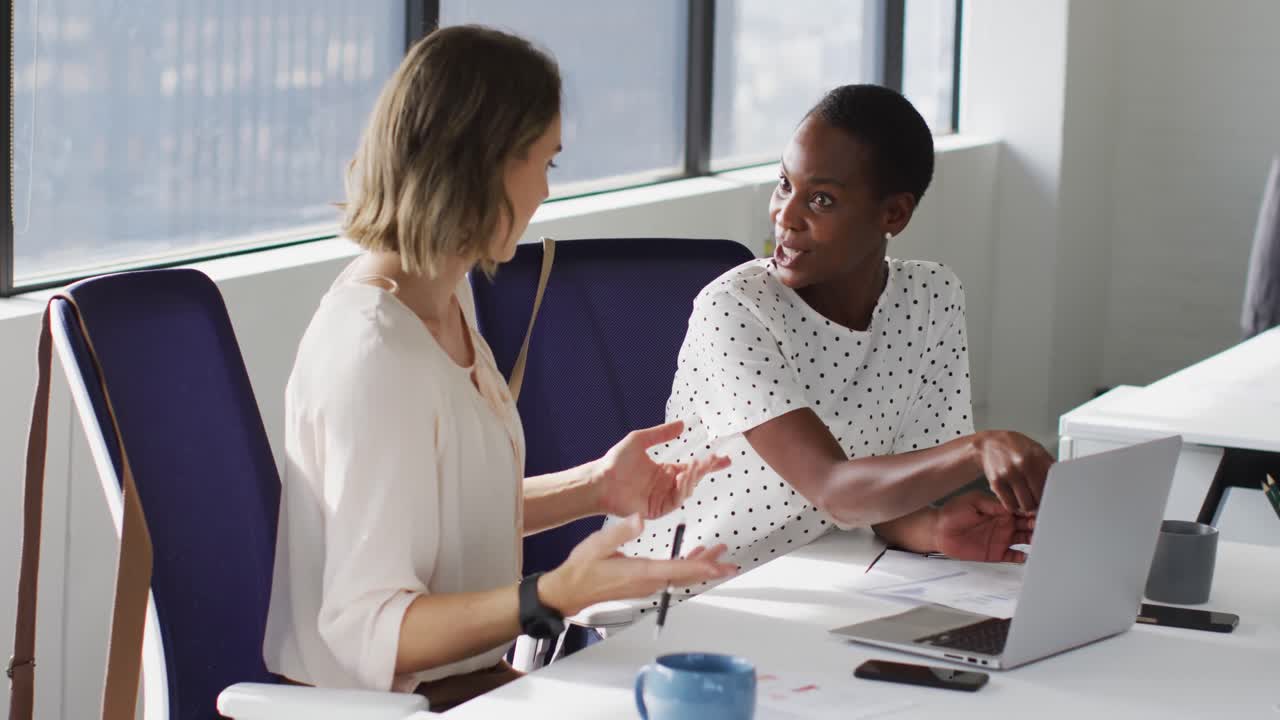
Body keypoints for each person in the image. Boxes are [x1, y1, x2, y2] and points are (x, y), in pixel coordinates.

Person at [262, 25, 736, 710]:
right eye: (545, 164)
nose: (545, 192)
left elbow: (442, 519)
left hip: (473, 687)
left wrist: (599, 486)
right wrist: (549, 596)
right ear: (482, 164)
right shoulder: (374, 352)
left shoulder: (438, 305)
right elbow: (370, 630)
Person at [611, 84, 1052, 605]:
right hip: (674, 601)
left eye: (820, 199)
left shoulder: (931, 298)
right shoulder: (736, 307)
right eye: (783, 185)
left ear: (894, 215)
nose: (786, 215)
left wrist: (934, 530)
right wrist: (980, 447)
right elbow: (832, 489)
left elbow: (889, 494)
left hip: (818, 582)